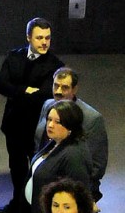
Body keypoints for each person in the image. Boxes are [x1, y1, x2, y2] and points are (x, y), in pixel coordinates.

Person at [0, 17, 63, 213]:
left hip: (38, 126)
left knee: (38, 168)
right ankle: (18, 203)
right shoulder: (14, 56)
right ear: (28, 37)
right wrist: (26, 90)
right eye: (39, 37)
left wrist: (17, 91)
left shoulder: (55, 64)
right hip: (13, 124)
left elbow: (45, 94)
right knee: (16, 166)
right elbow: (0, 84)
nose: (44, 42)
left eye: (48, 38)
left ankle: (36, 208)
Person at [34, 67, 108, 195]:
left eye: (64, 88)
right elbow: (39, 143)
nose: (58, 92)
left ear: (74, 89)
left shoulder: (91, 118)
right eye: (56, 86)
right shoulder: (47, 105)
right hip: (42, 185)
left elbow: (97, 166)